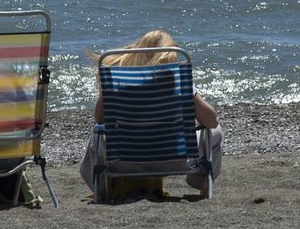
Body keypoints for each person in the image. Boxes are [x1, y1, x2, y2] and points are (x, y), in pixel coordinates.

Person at [78, 30, 223, 200]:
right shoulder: (179, 83)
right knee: (216, 132)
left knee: (97, 134)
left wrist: (106, 92)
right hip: (173, 159)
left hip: (124, 160)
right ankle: (200, 181)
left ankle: (101, 187)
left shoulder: (119, 83)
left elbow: (100, 119)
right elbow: (211, 121)